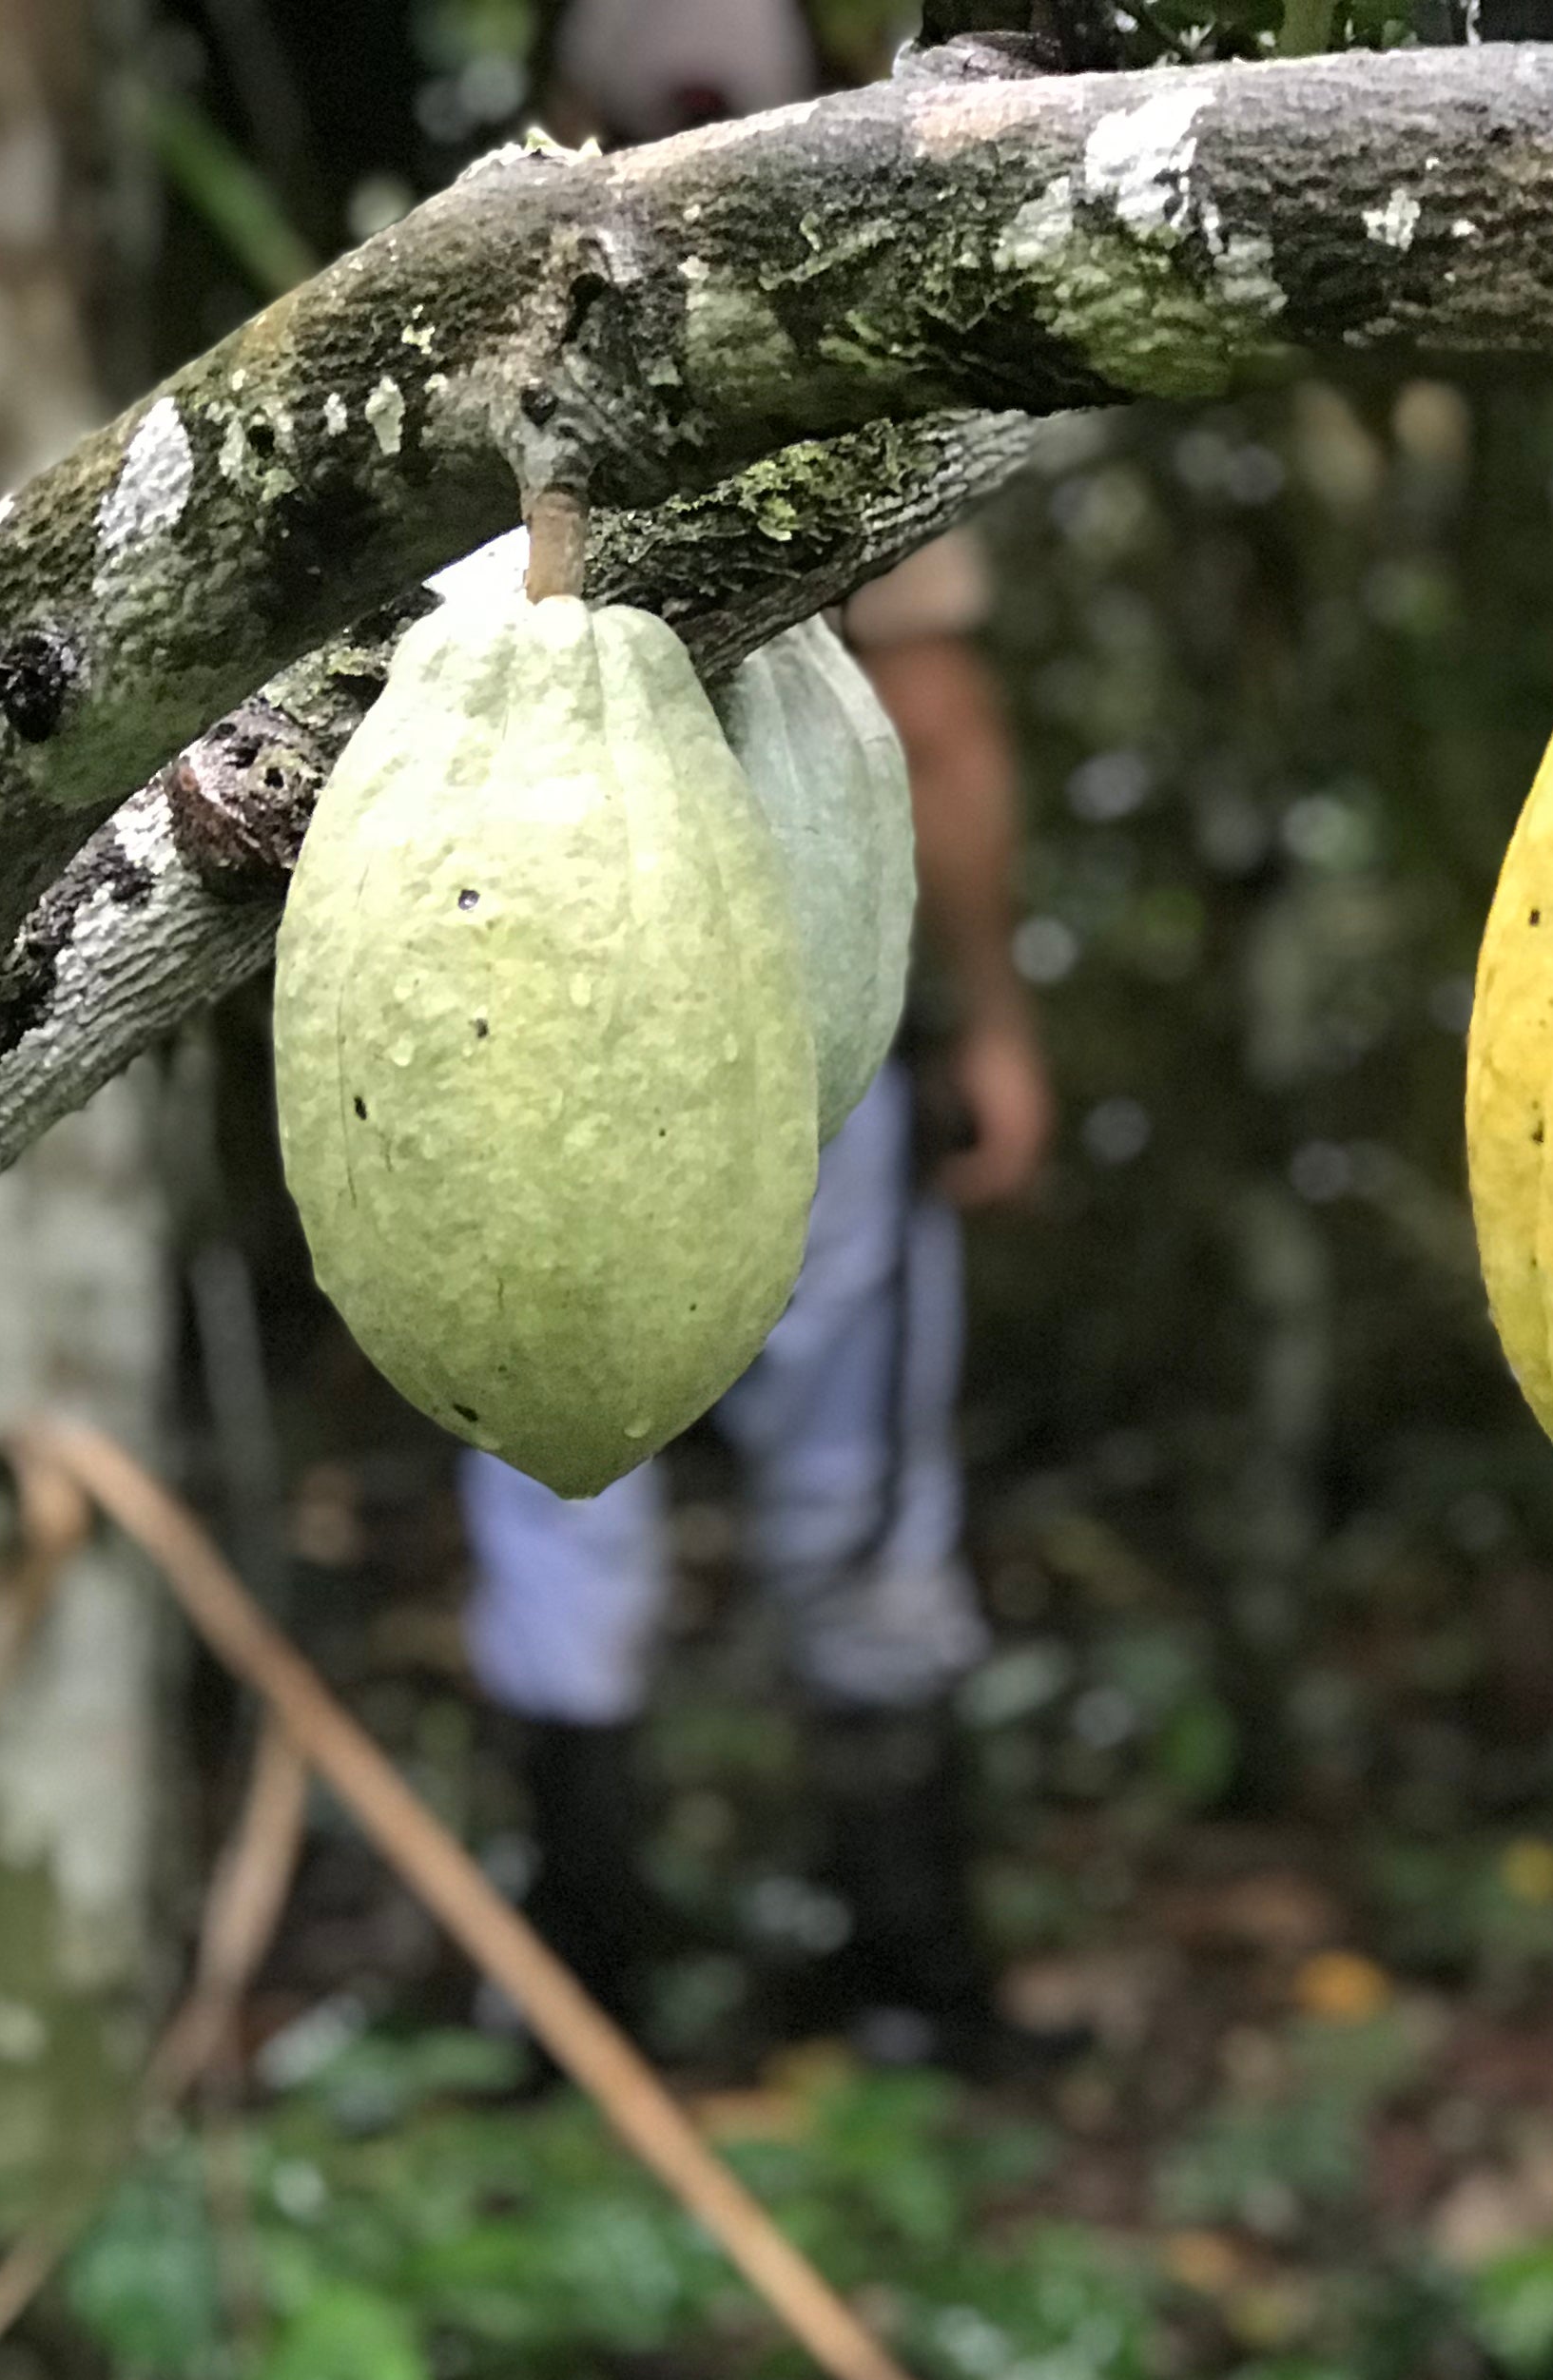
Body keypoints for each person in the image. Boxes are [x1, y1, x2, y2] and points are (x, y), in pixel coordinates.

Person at [460, 0, 1059, 2071]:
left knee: (554, 1461)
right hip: (793, 1029)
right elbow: (949, 727)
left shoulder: (459, 350)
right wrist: (990, 1021)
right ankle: (911, 1976)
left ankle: (585, 1990)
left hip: (515, 1035)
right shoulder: (831, 347)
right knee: (849, 1490)